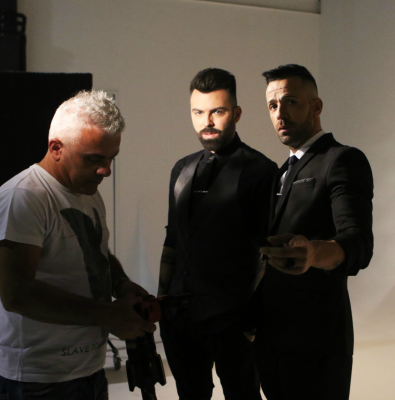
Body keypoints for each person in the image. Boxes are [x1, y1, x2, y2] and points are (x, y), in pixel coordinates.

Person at [0, 90, 156, 400]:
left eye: (111, 158)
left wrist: (120, 283)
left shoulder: (87, 192)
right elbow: (17, 293)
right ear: (56, 148)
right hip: (36, 381)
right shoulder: (22, 198)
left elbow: (95, 250)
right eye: (94, 159)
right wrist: (108, 316)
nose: (106, 170)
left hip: (88, 371)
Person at [254, 64, 374, 399]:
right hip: (271, 339)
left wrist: (313, 253)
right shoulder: (279, 173)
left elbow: (358, 242)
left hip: (317, 344)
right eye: (273, 106)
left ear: (316, 106)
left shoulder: (342, 160)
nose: (280, 113)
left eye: (290, 102)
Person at [158, 68, 277, 400]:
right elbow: (172, 239)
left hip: (234, 322)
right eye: (198, 112)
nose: (206, 121)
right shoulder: (182, 169)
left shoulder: (261, 171)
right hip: (180, 318)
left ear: (236, 113)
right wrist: (161, 303)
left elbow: (270, 253)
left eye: (217, 112)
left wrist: (252, 322)